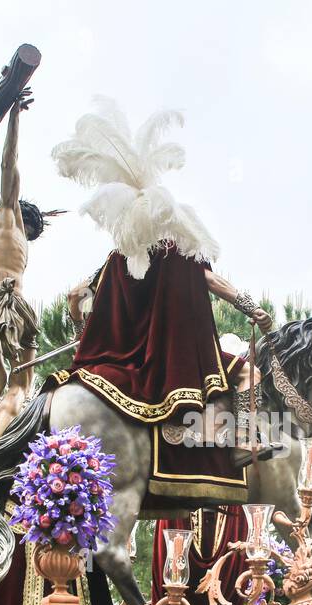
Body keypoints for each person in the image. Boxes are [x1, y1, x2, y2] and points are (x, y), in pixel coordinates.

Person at [51, 98, 275, 470]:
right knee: (250, 373)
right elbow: (213, 280)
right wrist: (253, 309)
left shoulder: (114, 261)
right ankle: (244, 440)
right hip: (176, 358)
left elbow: (75, 297)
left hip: (119, 360)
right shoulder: (178, 250)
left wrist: (81, 333)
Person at [0, 92, 63, 462]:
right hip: (11, 306)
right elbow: (9, 161)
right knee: (20, 381)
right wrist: (13, 115)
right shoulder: (9, 214)